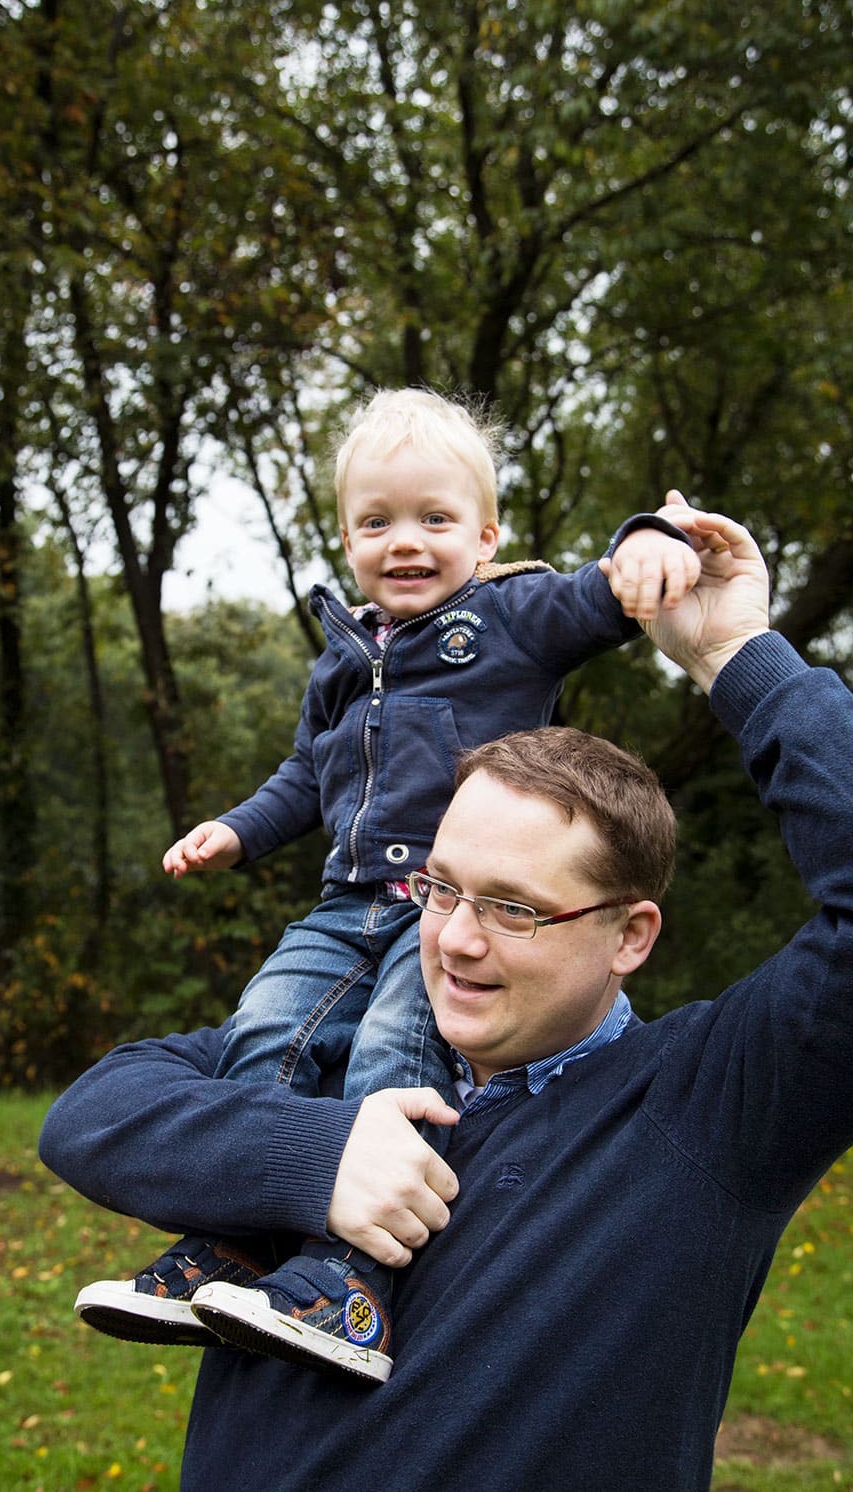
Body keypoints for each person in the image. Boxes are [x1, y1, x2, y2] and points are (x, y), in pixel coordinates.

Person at [41, 500, 853, 1491]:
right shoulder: (332, 1048)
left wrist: (737, 653)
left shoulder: (709, 1108)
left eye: (515, 909)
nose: (453, 941)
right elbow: (91, 1114)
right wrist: (319, 1157)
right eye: (440, 887)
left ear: (628, 935)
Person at [71, 385, 700, 1380]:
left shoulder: (509, 617)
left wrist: (652, 538)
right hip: (341, 902)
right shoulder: (341, 657)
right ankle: (234, 1239)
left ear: (485, 534)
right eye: (377, 522)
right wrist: (234, 833)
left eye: (434, 519)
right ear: (348, 538)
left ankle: (350, 1282)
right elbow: (302, 779)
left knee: (388, 1058)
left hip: (448, 907)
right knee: (264, 1029)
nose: (404, 541)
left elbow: (598, 594)